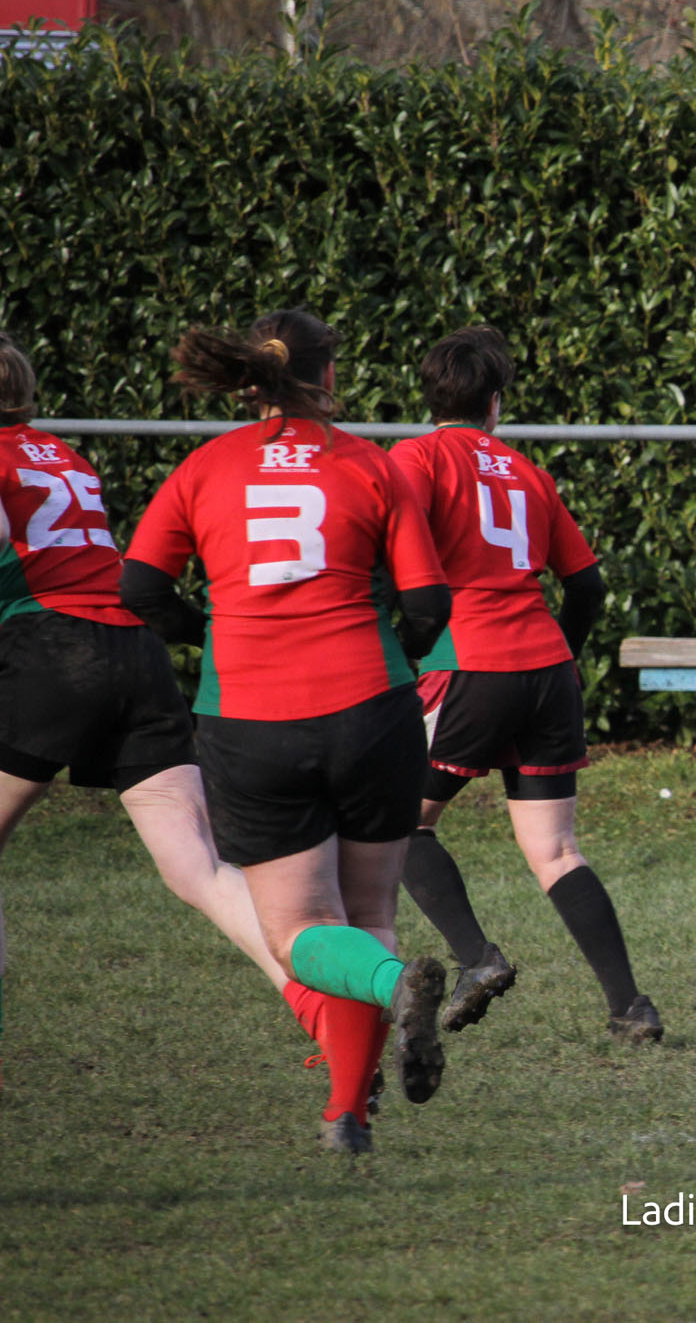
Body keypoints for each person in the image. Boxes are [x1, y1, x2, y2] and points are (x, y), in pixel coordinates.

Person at [120, 309, 453, 1153]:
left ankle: (389, 995)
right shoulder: (371, 463)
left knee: (299, 931)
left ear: (249, 379)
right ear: (327, 376)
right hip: (373, 707)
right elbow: (428, 604)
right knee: (368, 911)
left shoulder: (205, 466)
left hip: (252, 718)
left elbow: (140, 587)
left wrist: (211, 631)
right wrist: (396, 648)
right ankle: (349, 1114)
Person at [0, 330, 291, 1093]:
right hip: (134, 650)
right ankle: (320, 1005)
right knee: (200, 866)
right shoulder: (65, 456)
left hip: (52, 648)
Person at [388, 327, 658, 1043]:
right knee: (557, 850)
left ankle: (478, 959)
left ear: (429, 397)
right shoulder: (526, 472)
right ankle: (631, 1006)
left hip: (468, 663)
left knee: (398, 822)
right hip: (545, 668)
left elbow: (390, 550)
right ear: (495, 404)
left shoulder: (413, 458)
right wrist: (558, 656)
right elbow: (587, 586)